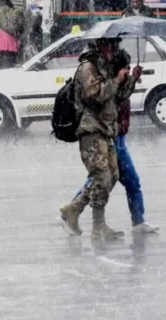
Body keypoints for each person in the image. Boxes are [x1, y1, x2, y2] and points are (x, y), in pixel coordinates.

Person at [57, 37, 136, 243]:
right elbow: (96, 95)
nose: (113, 49)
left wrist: (130, 79)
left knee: (112, 175)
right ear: (100, 45)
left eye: (114, 46)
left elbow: (117, 98)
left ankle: (74, 209)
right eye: (109, 45)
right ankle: (97, 227)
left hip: (106, 129)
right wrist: (116, 80)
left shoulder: (104, 68)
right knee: (101, 176)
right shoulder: (88, 68)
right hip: (91, 129)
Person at [94, 48, 157, 234]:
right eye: (125, 68)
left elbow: (123, 95)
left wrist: (131, 79)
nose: (128, 71)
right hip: (114, 140)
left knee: (122, 181)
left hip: (119, 139)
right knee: (102, 181)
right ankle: (72, 211)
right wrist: (128, 80)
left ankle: (138, 221)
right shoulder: (109, 85)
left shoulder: (117, 84)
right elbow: (118, 100)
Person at [0, 0, 24, 69]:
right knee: (10, 63)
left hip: (1, 42)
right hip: (12, 42)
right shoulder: (15, 12)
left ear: (2, 1)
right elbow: (21, 28)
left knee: (3, 65)